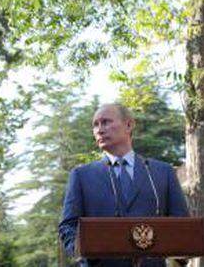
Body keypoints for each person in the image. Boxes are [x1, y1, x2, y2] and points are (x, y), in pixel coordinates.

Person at [58, 103, 189, 267]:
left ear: (129, 125)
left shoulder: (163, 172)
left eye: (106, 122)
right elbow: (68, 226)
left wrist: (177, 258)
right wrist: (85, 252)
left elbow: (181, 224)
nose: (99, 129)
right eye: (95, 125)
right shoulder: (81, 176)